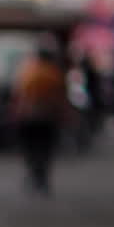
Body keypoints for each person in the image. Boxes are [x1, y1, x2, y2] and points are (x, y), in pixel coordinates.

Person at [11, 36, 71, 195]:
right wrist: (65, 114)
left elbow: (19, 96)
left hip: (29, 116)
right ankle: (41, 177)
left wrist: (17, 113)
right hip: (48, 117)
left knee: (30, 148)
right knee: (45, 149)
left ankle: (34, 173)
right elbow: (61, 98)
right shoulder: (54, 73)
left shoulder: (28, 72)